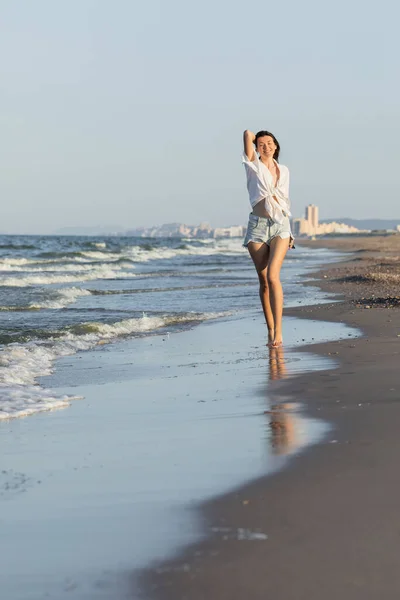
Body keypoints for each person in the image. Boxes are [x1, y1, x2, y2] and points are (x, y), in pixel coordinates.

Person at [242, 129, 294, 348]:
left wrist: (289, 232)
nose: (266, 146)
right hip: (258, 228)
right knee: (263, 281)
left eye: (270, 143)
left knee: (273, 276)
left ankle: (279, 333)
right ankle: (270, 328)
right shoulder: (253, 166)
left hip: (281, 226)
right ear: (256, 148)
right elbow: (246, 133)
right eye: (262, 144)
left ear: (276, 145)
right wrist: (254, 140)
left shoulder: (284, 170)